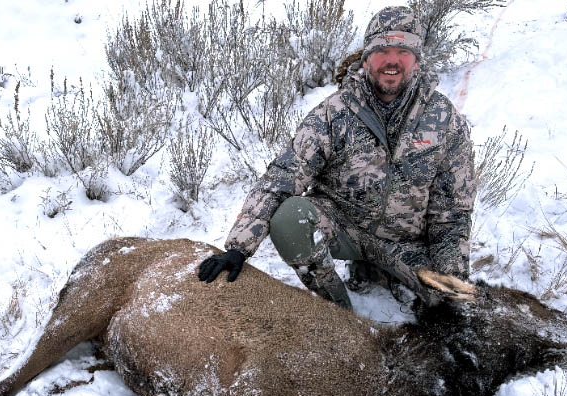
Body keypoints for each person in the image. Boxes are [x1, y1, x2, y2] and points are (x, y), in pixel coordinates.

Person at [198, 5, 476, 310]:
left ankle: (384, 273)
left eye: (403, 50)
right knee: (291, 217)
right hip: (344, 228)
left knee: (454, 306)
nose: (392, 60)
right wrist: (239, 248)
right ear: (367, 56)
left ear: (417, 58)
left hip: (405, 242)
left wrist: (451, 277)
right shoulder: (334, 113)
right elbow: (284, 175)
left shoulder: (446, 121)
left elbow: (452, 214)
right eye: (382, 50)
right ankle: (340, 312)